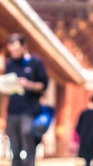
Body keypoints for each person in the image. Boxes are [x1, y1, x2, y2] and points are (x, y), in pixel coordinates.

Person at [5, 33, 49, 166]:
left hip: (29, 111)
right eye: (11, 51)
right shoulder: (10, 64)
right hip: (12, 111)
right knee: (14, 148)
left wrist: (28, 84)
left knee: (28, 144)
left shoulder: (36, 62)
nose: (14, 53)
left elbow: (43, 85)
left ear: (24, 46)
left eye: (17, 50)